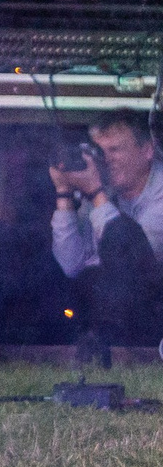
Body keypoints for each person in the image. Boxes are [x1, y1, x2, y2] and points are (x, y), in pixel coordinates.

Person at [51, 111, 163, 356]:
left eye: (115, 150)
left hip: (149, 312)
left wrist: (96, 193)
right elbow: (70, 265)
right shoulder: (103, 191)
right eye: (100, 152)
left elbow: (133, 258)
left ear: (147, 150)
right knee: (16, 241)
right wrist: (64, 194)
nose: (105, 160)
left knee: (114, 247)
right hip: (103, 305)